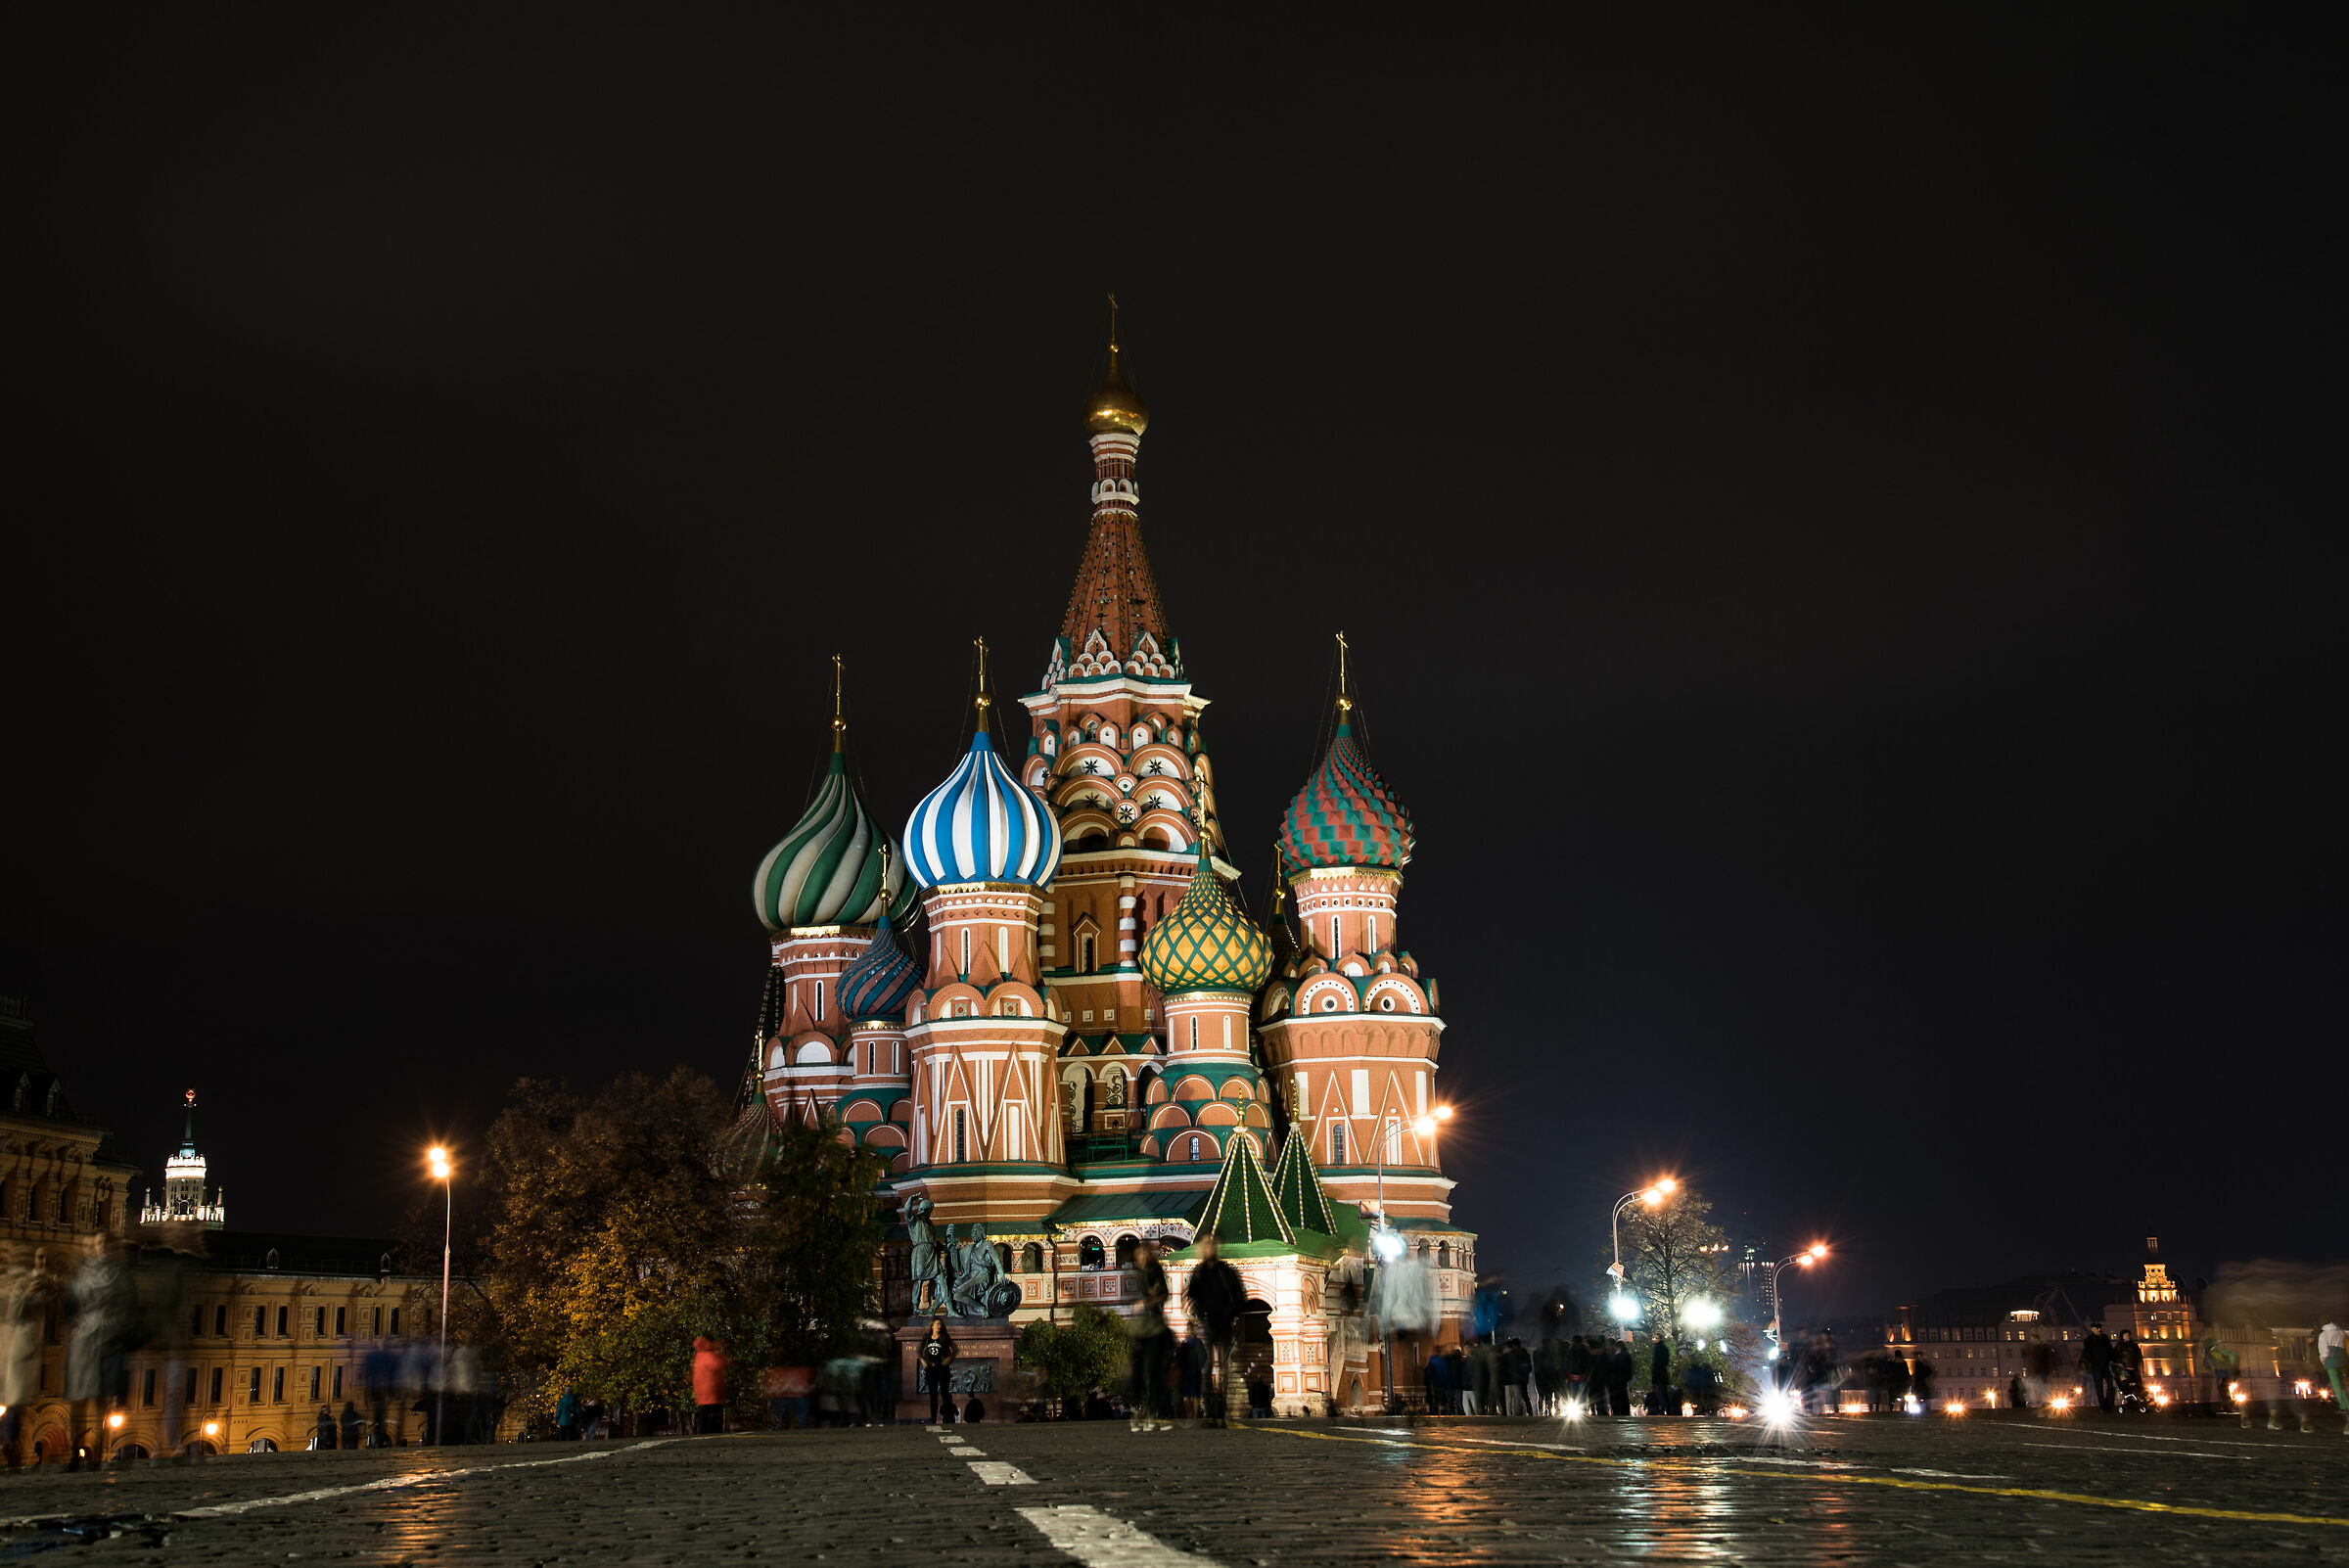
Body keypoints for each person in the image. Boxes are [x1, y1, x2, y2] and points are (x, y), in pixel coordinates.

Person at [1182, 1234, 1245, 1426]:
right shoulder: (1200, 1272)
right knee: (1209, 1366)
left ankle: (1222, 1409)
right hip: (1210, 1323)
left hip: (1224, 1323)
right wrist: (1202, 1312)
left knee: (1225, 1367)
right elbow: (1192, 1294)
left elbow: (1239, 1296)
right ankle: (1210, 1408)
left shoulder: (1225, 1271)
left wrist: (1232, 1314)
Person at [1128, 1240, 1173, 1433]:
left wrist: (1146, 1302)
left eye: (1145, 1254)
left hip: (1154, 1328)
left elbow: (1163, 1294)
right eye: (1139, 1254)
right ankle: (1142, 1410)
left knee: (1153, 1371)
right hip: (1140, 1329)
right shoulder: (1139, 1275)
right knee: (1140, 1372)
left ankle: (1154, 1412)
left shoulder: (1154, 1272)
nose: (1142, 1258)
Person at [920, 1319, 958, 1424]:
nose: (939, 1326)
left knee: (945, 1393)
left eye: (940, 1324)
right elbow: (919, 1352)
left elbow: (955, 1349)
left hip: (942, 1369)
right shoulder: (927, 1338)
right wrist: (924, 1362)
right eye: (937, 1324)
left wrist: (948, 1359)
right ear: (932, 1326)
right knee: (933, 1395)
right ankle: (933, 1420)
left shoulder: (944, 1337)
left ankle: (948, 1418)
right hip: (931, 1369)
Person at [691, 1336, 728, 1434]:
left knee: (703, 1418)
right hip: (712, 1393)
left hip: (701, 1394)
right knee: (713, 1420)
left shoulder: (699, 1356)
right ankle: (712, 1439)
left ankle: (703, 1438)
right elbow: (721, 1363)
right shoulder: (710, 1355)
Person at [2320, 1321, 2347, 1435]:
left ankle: (2344, 1405)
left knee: (2337, 1386)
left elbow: (2324, 1351)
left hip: (2331, 1363)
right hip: (2343, 1360)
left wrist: (2323, 1360)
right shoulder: (2341, 1332)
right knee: (2344, 1384)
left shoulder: (2324, 1335)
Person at [2082, 1323, 2116, 1412]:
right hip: (2097, 1367)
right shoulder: (2089, 1340)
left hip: (2106, 1366)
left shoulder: (2105, 1338)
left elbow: (2110, 1350)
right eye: (2097, 1328)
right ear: (2092, 1329)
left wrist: (2111, 1359)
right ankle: (2103, 1405)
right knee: (2099, 1387)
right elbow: (2087, 1354)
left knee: (2111, 1385)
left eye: (2100, 1328)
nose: (2099, 1329)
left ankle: (2108, 1404)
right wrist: (2093, 1363)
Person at [1501, 1337, 1532, 1416]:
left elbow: (1503, 1368)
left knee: (1510, 1400)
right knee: (1521, 1398)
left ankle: (1510, 1415)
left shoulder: (1507, 1355)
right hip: (1520, 1380)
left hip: (1510, 1381)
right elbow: (1528, 1367)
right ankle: (1527, 1412)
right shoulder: (1524, 1354)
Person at [1604, 1337, 1635, 1416]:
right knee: (1623, 1396)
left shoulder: (1618, 1356)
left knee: (1617, 1396)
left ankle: (1617, 1411)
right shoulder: (1625, 1354)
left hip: (1617, 1379)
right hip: (1622, 1379)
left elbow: (1614, 1368)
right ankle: (1623, 1411)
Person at [1423, 1342, 1453, 1414]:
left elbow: (1428, 1373)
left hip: (1434, 1385)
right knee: (1442, 1403)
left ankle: (1434, 1415)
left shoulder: (1432, 1360)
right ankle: (1443, 1415)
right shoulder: (1442, 1361)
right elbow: (1446, 1373)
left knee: (1434, 1403)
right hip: (1442, 1385)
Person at [1647, 1334, 1671, 1415]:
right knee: (1663, 1392)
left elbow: (1659, 1362)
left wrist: (1655, 1367)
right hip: (1661, 1373)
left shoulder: (1659, 1349)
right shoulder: (1662, 1348)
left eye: (1656, 1338)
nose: (1654, 1340)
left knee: (1661, 1392)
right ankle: (1666, 1409)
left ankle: (1663, 1409)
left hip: (1659, 1374)